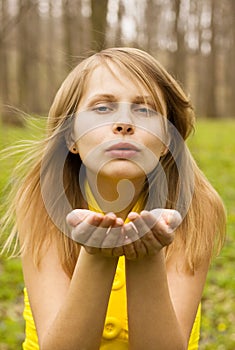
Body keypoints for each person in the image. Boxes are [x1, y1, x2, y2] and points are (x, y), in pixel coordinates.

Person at [1, 47, 226, 350]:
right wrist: (96, 256)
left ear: (166, 141)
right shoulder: (44, 204)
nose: (124, 124)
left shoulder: (194, 209)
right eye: (103, 108)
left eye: (144, 110)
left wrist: (146, 258)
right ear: (71, 136)